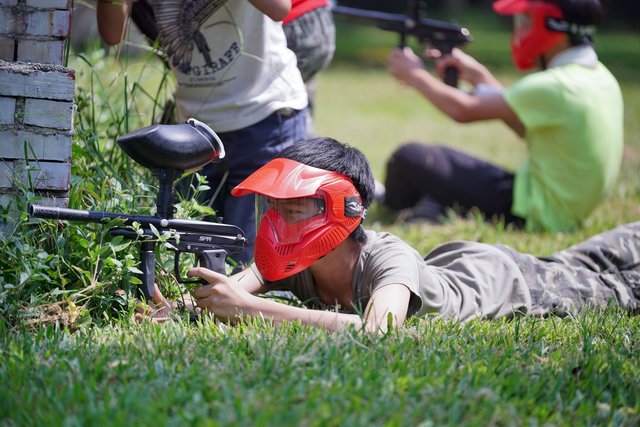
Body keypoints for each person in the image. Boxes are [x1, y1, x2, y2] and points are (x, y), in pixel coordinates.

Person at [144, 137, 640, 334]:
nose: (276, 224)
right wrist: (193, 306)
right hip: (460, 263)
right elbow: (247, 282)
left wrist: (248, 308)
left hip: (512, 285)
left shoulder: (388, 259)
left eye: (292, 210)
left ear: (342, 211)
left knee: (616, 286)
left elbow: (379, 332)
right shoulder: (301, 268)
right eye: (272, 209)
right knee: (588, 257)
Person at [96, 0, 309, 266]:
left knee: (255, 267)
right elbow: (112, 34)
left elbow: (280, 8)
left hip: (265, 118)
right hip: (195, 132)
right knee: (189, 263)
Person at [383, 0, 623, 231]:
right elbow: (522, 122)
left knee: (409, 157)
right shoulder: (599, 77)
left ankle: (389, 202)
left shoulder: (555, 86)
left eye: (527, 21)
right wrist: (478, 75)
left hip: (533, 212)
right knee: (440, 160)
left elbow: (463, 109)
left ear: (554, 28)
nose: (520, 29)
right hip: (557, 206)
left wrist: (414, 74)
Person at [282, 0, 336, 135]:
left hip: (292, 21)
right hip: (319, 15)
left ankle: (303, 153)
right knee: (300, 100)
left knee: (281, 109)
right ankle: (313, 152)